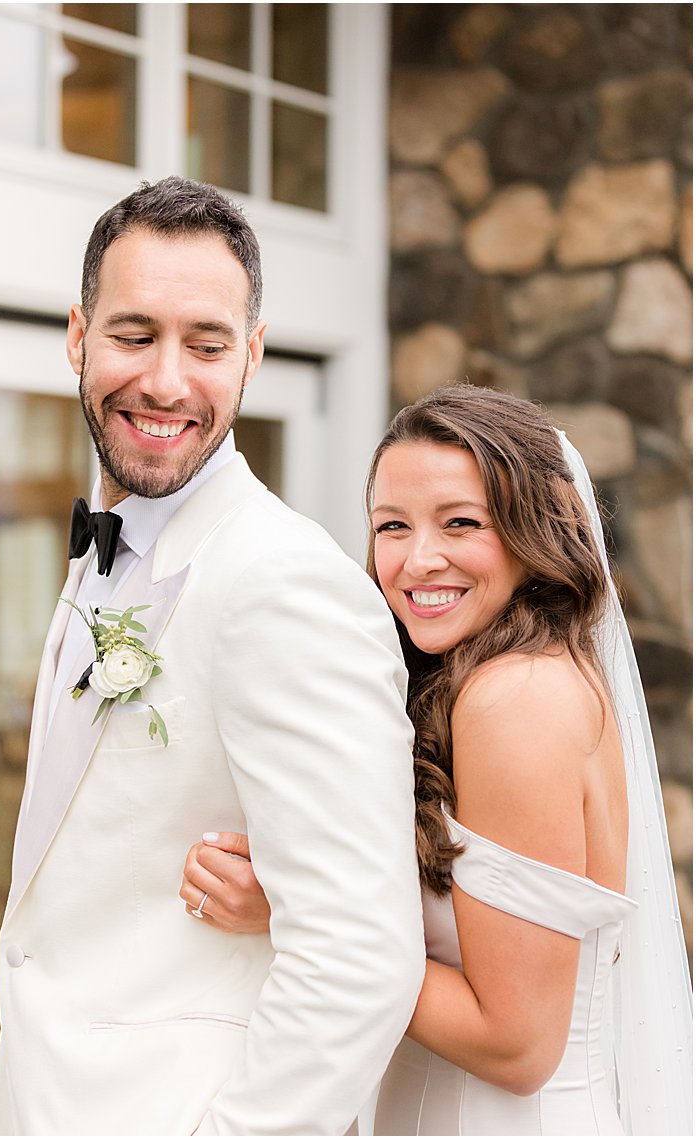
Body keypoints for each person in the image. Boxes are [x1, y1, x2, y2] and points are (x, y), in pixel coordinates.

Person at [0, 176, 424, 1135]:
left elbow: (359, 958)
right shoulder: (104, 543)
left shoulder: (286, 582)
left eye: (208, 344)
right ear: (78, 335)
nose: (166, 381)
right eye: (134, 335)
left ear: (252, 355)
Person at [180, 385, 693, 1134]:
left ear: (532, 530)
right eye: (392, 526)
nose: (418, 560)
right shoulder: (507, 678)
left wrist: (299, 915)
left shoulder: (513, 700)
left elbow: (517, 1043)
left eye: (461, 523)